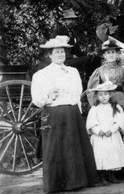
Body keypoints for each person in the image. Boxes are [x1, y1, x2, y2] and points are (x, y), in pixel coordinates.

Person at [31, 36, 97, 193]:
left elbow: (77, 92)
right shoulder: (41, 75)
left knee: (73, 146)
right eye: (56, 52)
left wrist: (77, 110)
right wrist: (49, 96)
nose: (60, 54)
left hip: (71, 112)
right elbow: (37, 100)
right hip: (54, 113)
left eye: (62, 51)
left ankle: (76, 182)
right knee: (55, 147)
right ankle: (56, 184)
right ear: (50, 55)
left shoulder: (73, 72)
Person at [87, 40, 124, 171]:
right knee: (106, 134)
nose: (111, 55)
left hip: (121, 102)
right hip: (104, 102)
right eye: (108, 53)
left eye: (113, 52)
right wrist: (95, 106)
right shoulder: (99, 71)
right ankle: (107, 169)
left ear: (117, 54)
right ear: (104, 55)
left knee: (121, 130)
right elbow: (91, 89)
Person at [86, 81, 124, 185]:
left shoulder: (116, 107)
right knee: (100, 155)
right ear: (97, 96)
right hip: (99, 136)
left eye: (106, 94)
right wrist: (98, 131)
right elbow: (91, 123)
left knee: (112, 154)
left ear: (110, 95)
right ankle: (101, 176)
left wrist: (112, 130)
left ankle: (111, 175)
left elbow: (119, 121)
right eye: (100, 95)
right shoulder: (94, 109)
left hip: (112, 135)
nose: (103, 97)